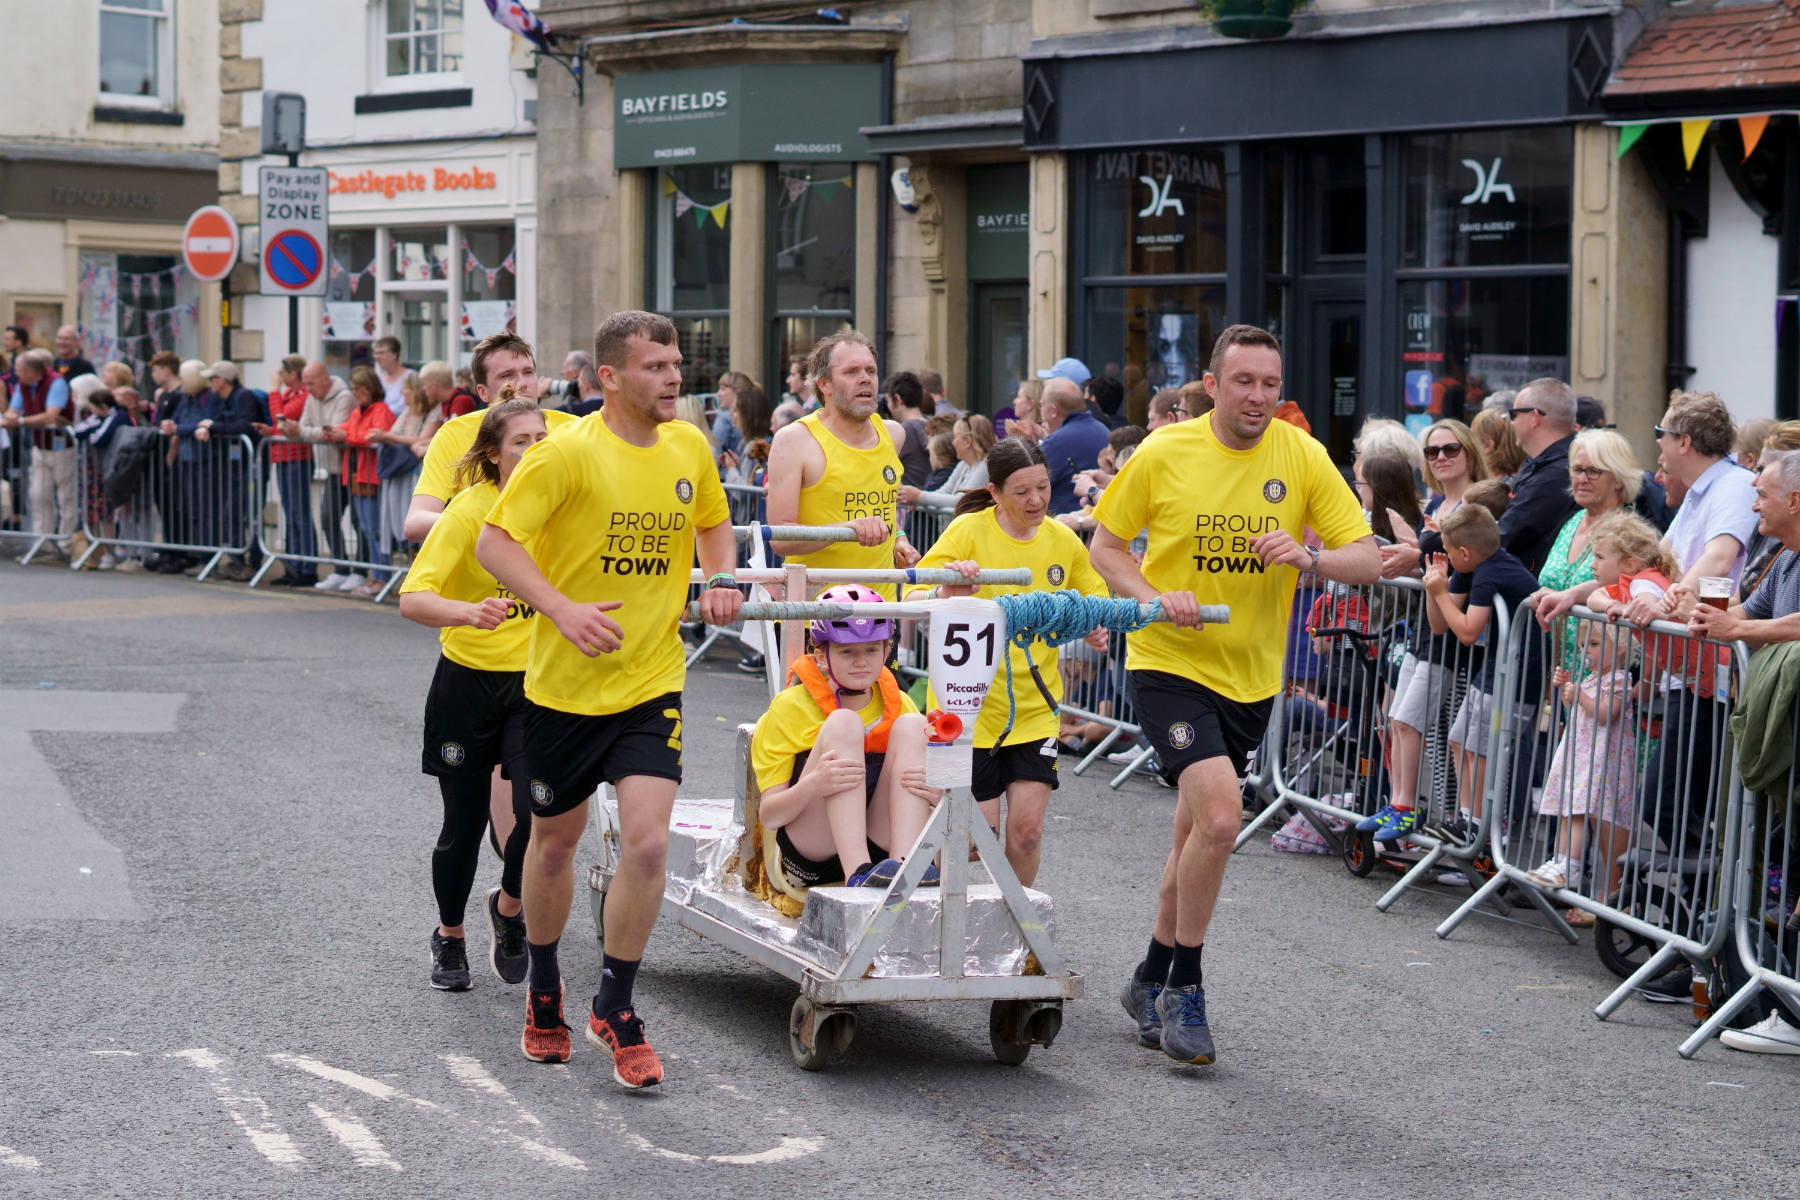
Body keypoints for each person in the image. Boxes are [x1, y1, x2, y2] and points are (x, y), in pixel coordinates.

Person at [1092, 324, 1377, 1065]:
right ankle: (1185, 989)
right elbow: (1106, 548)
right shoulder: (1164, 451)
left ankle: (1147, 976)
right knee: (1221, 819)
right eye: (1243, 382)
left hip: (1252, 676)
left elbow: (1369, 559)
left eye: (1270, 385)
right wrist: (1155, 598)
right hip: (1169, 661)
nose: (1257, 397)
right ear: (1213, 384)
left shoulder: (1302, 455)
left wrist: (1311, 556)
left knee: (1194, 836)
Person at [477, 311, 743, 1087]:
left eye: (675, 363)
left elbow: (715, 525)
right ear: (609, 378)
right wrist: (560, 609)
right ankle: (547, 990)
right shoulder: (562, 456)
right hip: (562, 689)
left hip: (651, 681)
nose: (673, 378)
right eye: (656, 366)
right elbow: (495, 542)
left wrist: (720, 578)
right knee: (553, 845)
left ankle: (616, 1006)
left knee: (648, 844)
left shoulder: (690, 446)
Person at [399, 393, 548, 992]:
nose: (535, 450)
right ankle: (451, 936)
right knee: (461, 826)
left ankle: (509, 909)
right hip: (467, 683)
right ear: (492, 453)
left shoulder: (561, 509)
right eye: (521, 442)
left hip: (537, 686)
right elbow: (413, 599)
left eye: (542, 440)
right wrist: (467, 610)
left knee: (537, 817)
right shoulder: (468, 511)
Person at [911, 437, 1109, 886]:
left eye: (1042, 487)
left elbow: (1095, 597)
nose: (1036, 500)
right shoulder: (967, 533)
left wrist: (1094, 623)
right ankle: (939, 920)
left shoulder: (1061, 539)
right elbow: (912, 592)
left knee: (1026, 834)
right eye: (1022, 492)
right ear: (996, 493)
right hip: (965, 712)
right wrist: (944, 591)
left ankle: (1016, 936)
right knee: (971, 840)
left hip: (1035, 710)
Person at [1686, 450, 1800, 1053]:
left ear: (1795, 501)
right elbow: (1745, 614)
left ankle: (1794, 1017)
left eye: (1762, 493)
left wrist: (1739, 630)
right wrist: (1699, 611)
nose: (1752, 503)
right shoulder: (1785, 556)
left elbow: (1772, 626)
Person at [751, 585, 939, 896]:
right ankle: (858, 876)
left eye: (871, 650)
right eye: (847, 651)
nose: (861, 662)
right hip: (813, 854)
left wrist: (935, 794)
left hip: (880, 846)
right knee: (843, 723)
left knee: (913, 725)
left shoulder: (899, 702)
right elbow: (770, 815)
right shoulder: (789, 708)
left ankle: (908, 867)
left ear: (886, 650)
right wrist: (815, 783)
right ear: (821, 656)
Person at [765, 329, 919, 599]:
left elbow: (881, 508)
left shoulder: (893, 434)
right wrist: (846, 530)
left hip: (880, 613)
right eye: (851, 372)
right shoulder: (795, 440)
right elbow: (780, 538)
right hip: (816, 615)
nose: (865, 379)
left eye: (871, 371)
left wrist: (899, 539)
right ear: (824, 384)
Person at [1421, 504, 1540, 834]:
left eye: (1447, 551)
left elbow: (1469, 631)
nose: (1444, 555)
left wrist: (1440, 593)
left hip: (1518, 674)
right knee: (1459, 740)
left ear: (1463, 552)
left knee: (1482, 747)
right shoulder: (1472, 566)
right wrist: (1438, 589)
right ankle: (1465, 818)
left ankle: (1477, 825)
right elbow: (1440, 625)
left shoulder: (1490, 571)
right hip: (1496, 666)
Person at [403, 332, 578, 546]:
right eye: (507, 375)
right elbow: (415, 522)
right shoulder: (455, 434)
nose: (522, 383)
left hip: (551, 574)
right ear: (483, 392)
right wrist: (493, 528)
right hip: (484, 573)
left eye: (528, 372)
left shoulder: (572, 428)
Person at [1524, 620, 1638, 900]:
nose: (1587, 651)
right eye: (1583, 645)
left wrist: (1580, 696)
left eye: (1595, 645)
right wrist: (1567, 693)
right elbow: (1578, 710)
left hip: (1601, 757)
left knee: (1577, 809)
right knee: (1567, 807)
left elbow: (1605, 713)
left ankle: (1572, 866)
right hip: (1581, 752)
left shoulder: (1620, 679)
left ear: (1619, 649)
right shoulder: (1590, 678)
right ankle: (1560, 859)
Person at [1525, 429, 1641, 671]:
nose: (1582, 479)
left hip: (1601, 683)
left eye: (1594, 471)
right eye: (1577, 470)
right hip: (1557, 672)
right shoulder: (1572, 521)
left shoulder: (1628, 532)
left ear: (1619, 479)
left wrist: (1572, 595)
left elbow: (1632, 587)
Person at [1497, 379, 1580, 574]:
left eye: (1514, 414)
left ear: (1534, 418)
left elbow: (1507, 535)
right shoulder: (1545, 465)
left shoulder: (1556, 474)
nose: (1512, 423)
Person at [327, 365, 396, 597]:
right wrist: (332, 432)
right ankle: (376, 575)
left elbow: (374, 436)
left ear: (369, 388)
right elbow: (348, 430)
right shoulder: (360, 410)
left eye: (358, 389)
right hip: (358, 474)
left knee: (374, 529)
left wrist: (345, 436)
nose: (355, 394)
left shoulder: (380, 410)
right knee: (367, 528)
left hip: (371, 476)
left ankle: (381, 576)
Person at [3, 349, 77, 556]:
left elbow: (51, 415)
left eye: (18, 370)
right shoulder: (24, 386)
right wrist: (9, 418)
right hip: (40, 446)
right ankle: (43, 543)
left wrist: (19, 421)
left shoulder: (56, 382)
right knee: (38, 495)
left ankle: (65, 544)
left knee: (65, 497)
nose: (15, 374)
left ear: (30, 371)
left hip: (63, 447)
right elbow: (14, 409)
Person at [253, 355, 317, 587]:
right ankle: (293, 565)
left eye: (283, 374)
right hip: (283, 457)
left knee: (300, 514)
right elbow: (278, 424)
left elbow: (280, 417)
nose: (280, 379)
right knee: (290, 515)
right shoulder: (290, 395)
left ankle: (307, 567)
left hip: (297, 458)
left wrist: (273, 389)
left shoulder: (302, 396)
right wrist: (269, 431)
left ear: (292, 374)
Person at [296, 362, 359, 591]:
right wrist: (311, 432)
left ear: (325, 378)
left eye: (311, 383)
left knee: (357, 520)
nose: (307, 389)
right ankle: (340, 569)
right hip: (332, 469)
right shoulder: (312, 397)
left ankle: (360, 571)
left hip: (351, 467)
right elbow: (307, 427)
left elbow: (334, 431)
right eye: (305, 384)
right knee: (327, 517)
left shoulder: (344, 396)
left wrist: (307, 432)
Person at [375, 374, 444, 564]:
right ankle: (407, 550)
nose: (401, 391)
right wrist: (390, 436)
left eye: (405, 387)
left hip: (418, 472)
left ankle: (419, 556)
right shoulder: (408, 410)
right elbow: (396, 433)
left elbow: (420, 439)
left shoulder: (434, 411)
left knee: (417, 514)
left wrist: (390, 437)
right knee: (398, 514)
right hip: (400, 470)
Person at [1038, 377, 1109, 517]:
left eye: (1041, 404)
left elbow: (1024, 485)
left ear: (1054, 410)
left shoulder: (1056, 443)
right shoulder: (1103, 430)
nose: (1040, 412)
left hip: (1068, 530)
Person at [899, 414, 995, 511]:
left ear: (967, 442)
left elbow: (961, 501)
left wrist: (919, 496)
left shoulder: (984, 467)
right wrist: (917, 501)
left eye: (955, 436)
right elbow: (944, 491)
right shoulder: (963, 464)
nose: (953, 443)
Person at [884, 370, 933, 488]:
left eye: (888, 400)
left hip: (908, 502)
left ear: (898, 399)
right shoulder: (933, 424)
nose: (887, 406)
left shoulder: (903, 431)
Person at [710, 370, 751, 469]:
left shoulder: (724, 418)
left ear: (737, 392)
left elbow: (716, 453)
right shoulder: (753, 413)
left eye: (723, 389)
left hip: (728, 477)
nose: (718, 394)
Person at [1471, 406, 1525, 478]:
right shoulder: (1523, 480)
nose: (1468, 444)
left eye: (1472, 438)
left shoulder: (1499, 487)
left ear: (1487, 446)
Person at [372, 335, 415, 416]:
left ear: (394, 355)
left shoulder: (410, 376)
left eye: (381, 353)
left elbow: (404, 407)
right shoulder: (378, 379)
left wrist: (380, 413)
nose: (377, 357)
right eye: (375, 353)